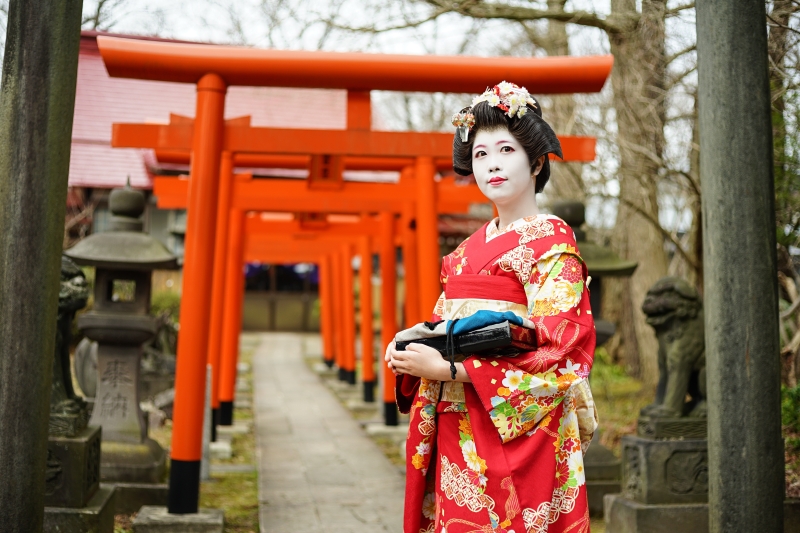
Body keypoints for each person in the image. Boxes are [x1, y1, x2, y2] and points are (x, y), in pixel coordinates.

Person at [385, 82, 598, 533]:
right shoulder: (464, 252)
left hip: (523, 427)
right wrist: (413, 348)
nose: (492, 164)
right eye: (481, 154)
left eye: (506, 149)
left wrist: (454, 371)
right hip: (460, 420)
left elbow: (562, 350)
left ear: (536, 161)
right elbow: (446, 328)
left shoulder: (552, 242)